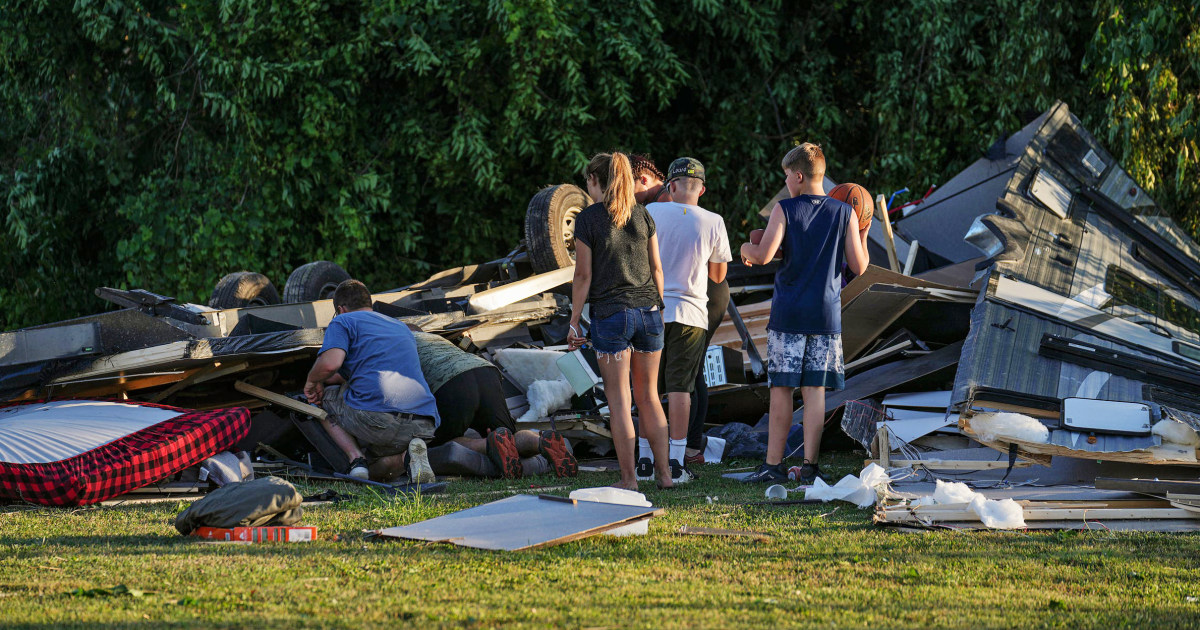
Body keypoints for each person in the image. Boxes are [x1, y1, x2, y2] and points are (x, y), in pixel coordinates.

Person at [737, 143, 870, 484]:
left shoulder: (786, 209)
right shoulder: (846, 213)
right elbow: (859, 266)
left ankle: (773, 466)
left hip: (789, 314)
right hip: (825, 316)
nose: (786, 184)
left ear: (798, 176)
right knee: (815, 392)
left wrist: (744, 249)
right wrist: (863, 232)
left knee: (781, 389)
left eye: (786, 177)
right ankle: (810, 466)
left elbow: (765, 255)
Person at [567, 151, 673, 490]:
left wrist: (572, 322)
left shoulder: (588, 220)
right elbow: (657, 268)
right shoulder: (643, 215)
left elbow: (583, 275)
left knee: (619, 402)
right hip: (649, 314)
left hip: (612, 316)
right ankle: (666, 476)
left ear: (596, 180)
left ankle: (630, 480)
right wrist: (658, 307)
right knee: (650, 397)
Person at [644, 157, 731, 483]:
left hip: (653, 311)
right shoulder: (713, 221)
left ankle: (646, 457)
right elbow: (718, 275)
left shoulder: (651, 213)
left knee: (648, 388)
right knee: (682, 388)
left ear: (671, 185)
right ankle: (678, 460)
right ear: (702, 189)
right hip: (692, 315)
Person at [303, 279, 440, 483]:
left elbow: (330, 364)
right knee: (381, 466)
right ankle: (407, 457)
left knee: (321, 400)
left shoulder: (343, 321)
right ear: (369, 303)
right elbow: (360, 370)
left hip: (379, 422)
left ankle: (355, 459)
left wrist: (312, 382)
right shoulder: (400, 326)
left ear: (340, 309)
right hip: (425, 423)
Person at [405, 330, 577, 480]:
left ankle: (488, 445)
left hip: (451, 381)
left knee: (443, 443)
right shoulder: (436, 339)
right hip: (485, 371)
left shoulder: (399, 342)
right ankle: (540, 443)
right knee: (508, 435)